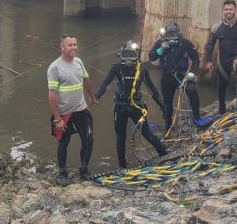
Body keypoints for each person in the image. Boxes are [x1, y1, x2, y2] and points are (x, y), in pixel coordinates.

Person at [95, 40, 168, 169]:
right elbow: (105, 83)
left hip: (137, 106)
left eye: (132, 54)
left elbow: (152, 90)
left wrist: (164, 108)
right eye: (126, 54)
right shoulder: (116, 68)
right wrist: (96, 96)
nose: (129, 58)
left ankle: (164, 155)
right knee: (121, 137)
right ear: (120, 55)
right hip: (120, 106)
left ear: (137, 56)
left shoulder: (142, 69)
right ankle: (122, 166)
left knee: (147, 133)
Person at [47, 34, 97, 185]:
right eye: (70, 45)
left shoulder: (79, 62)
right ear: (62, 47)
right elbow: (52, 94)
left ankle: (84, 169)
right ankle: (62, 172)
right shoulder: (54, 67)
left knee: (89, 139)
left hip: (81, 109)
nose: (74, 47)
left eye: (75, 44)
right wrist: (57, 118)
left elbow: (86, 80)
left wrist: (92, 96)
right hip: (64, 112)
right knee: (64, 141)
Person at [148, 22, 203, 129]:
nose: (172, 38)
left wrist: (192, 73)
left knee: (192, 91)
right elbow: (151, 57)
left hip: (182, 76)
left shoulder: (185, 43)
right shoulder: (161, 43)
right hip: (166, 77)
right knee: (167, 101)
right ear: (165, 36)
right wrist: (161, 50)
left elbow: (195, 59)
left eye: (174, 34)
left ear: (179, 34)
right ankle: (168, 124)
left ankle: (197, 117)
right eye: (169, 35)